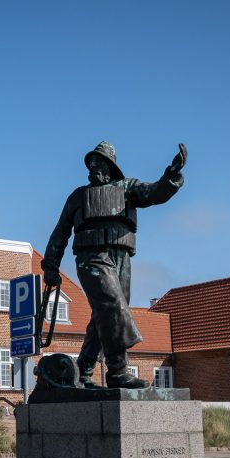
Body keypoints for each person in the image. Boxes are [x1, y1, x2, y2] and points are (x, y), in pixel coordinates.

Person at [41, 140, 185, 388]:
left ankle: (83, 370)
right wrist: (51, 266)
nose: (93, 167)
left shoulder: (128, 187)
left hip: (122, 257)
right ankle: (117, 372)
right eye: (91, 163)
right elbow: (60, 233)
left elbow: (154, 193)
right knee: (114, 308)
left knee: (103, 316)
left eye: (98, 162)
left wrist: (171, 176)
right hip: (91, 257)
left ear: (110, 167)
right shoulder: (78, 196)